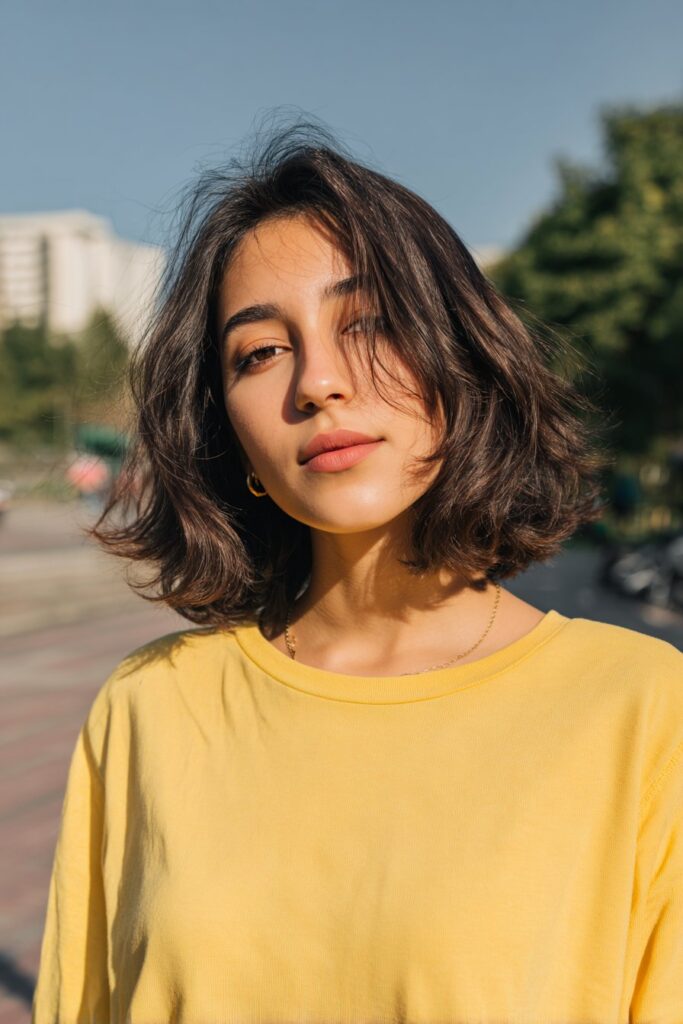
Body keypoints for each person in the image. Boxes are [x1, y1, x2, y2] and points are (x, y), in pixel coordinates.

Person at [32, 121, 683, 1024]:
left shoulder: (643, 710)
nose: (319, 382)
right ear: (231, 431)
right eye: (260, 352)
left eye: (369, 323)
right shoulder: (150, 709)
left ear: (459, 361)